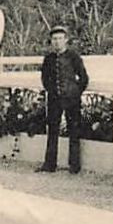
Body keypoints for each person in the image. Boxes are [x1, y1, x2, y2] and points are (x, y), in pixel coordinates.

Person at [38, 26, 89, 173]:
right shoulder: (48, 59)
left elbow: (84, 78)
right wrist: (52, 91)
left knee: (74, 130)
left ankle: (74, 165)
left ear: (66, 40)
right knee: (53, 130)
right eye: (54, 39)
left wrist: (76, 92)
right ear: (51, 41)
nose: (57, 42)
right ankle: (50, 164)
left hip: (72, 100)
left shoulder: (74, 57)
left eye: (60, 38)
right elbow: (45, 79)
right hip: (54, 99)